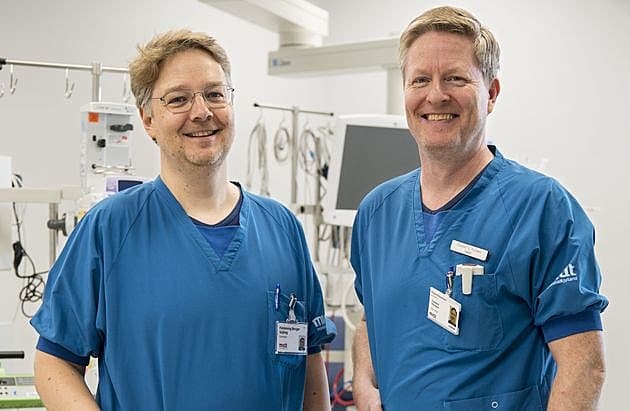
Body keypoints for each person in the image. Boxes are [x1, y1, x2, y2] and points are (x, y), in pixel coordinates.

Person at [30, 29, 335, 411]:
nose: (202, 111)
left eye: (214, 93)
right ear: (148, 120)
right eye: (178, 99)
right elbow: (53, 362)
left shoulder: (281, 227)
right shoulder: (110, 229)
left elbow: (309, 365)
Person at [351, 6, 608, 410]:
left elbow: (583, 368)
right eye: (420, 79)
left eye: (455, 77)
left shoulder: (541, 208)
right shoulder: (376, 212)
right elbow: (371, 319)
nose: (435, 95)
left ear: (491, 92)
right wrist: (364, 384)